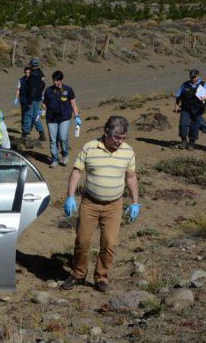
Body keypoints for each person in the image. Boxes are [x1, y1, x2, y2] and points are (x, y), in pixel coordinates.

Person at [60, 116, 141, 293]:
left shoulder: (128, 151)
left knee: (109, 243)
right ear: (106, 132)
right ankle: (78, 273)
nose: (120, 142)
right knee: (82, 241)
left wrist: (135, 202)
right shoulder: (90, 147)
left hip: (114, 205)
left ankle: (101, 277)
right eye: (117, 138)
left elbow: (131, 177)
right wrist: (70, 196)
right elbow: (77, 172)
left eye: (123, 138)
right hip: (90, 203)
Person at [42, 70, 80, 168]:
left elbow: (73, 103)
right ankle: (54, 159)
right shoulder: (48, 90)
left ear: (62, 80)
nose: (56, 82)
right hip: (51, 118)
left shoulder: (68, 90)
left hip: (64, 117)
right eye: (54, 80)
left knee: (63, 137)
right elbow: (44, 103)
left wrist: (77, 116)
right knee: (53, 140)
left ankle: (65, 154)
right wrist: (42, 110)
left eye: (58, 80)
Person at [173, 69, 206, 150]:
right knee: (183, 124)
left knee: (194, 125)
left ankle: (191, 143)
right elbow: (178, 95)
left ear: (198, 76)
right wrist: (176, 106)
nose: (193, 79)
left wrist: (205, 97)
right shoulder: (185, 84)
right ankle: (183, 141)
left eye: (194, 77)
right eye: (191, 77)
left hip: (197, 109)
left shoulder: (203, 84)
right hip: (185, 108)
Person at [22, 58, 46, 143]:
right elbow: (43, 84)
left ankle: (25, 134)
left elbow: (31, 89)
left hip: (32, 99)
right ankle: (41, 133)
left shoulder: (33, 76)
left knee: (28, 115)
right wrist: (39, 92)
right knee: (35, 116)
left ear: (32, 65)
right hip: (38, 98)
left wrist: (29, 101)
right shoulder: (41, 73)